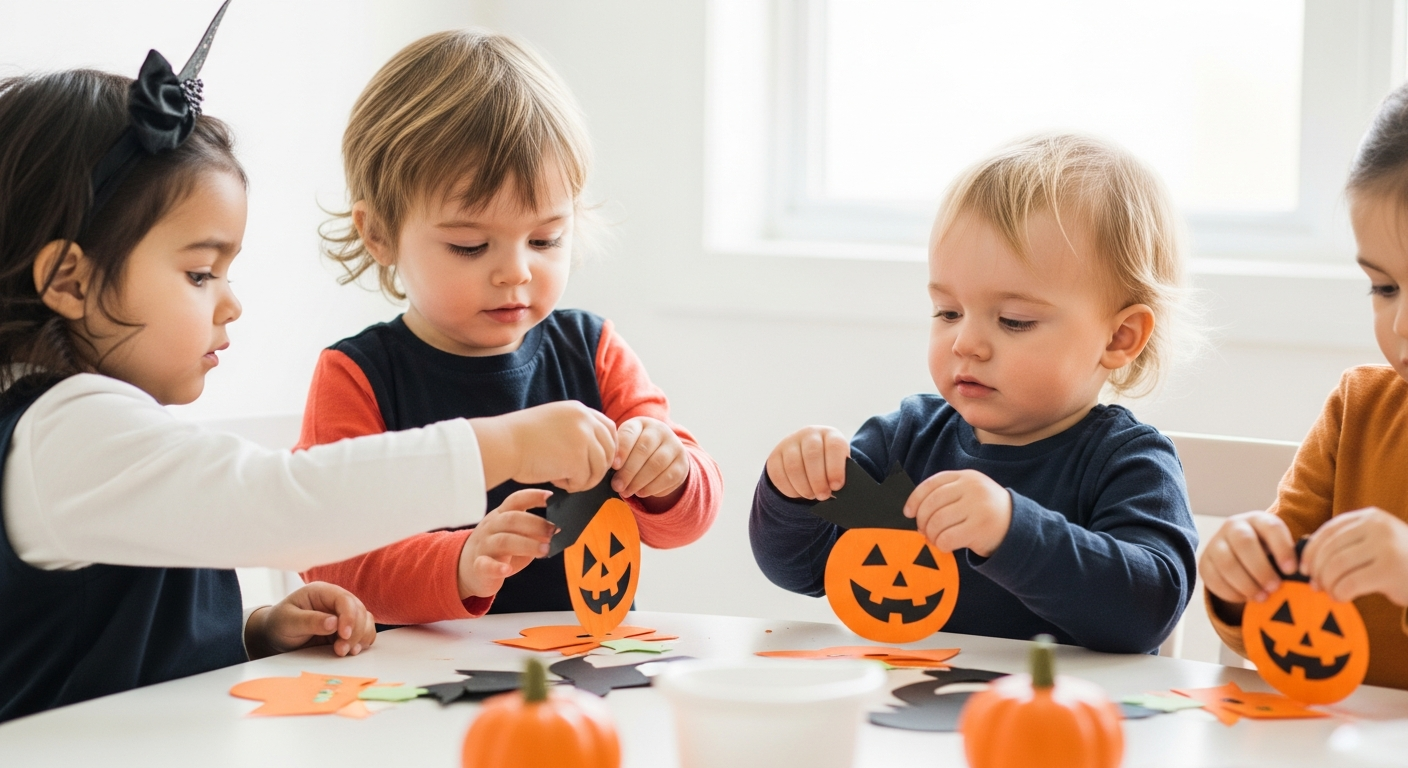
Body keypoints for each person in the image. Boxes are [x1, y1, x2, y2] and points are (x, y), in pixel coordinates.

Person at [0, 48, 612, 722]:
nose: (231, 304)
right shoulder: (66, 434)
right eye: (200, 274)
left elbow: (112, 643)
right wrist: (502, 446)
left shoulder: (91, 435)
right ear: (70, 281)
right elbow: (279, 502)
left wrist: (253, 632)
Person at [297, 30, 722, 624]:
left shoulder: (594, 350)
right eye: (470, 246)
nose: (516, 271)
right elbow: (330, 562)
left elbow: (686, 520)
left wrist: (669, 474)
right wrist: (460, 563)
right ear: (380, 233)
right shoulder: (358, 377)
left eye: (545, 239)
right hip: (414, 670)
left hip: (584, 660)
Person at [750, 135, 1198, 654]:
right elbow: (804, 571)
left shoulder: (1129, 463)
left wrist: (1013, 531)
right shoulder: (904, 439)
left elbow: (1146, 612)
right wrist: (791, 491)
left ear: (1119, 338)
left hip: (1058, 702)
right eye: (948, 312)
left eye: (1014, 320)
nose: (965, 343)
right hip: (908, 692)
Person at [1200, 82, 1408, 690]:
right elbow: (1277, 619)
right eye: (1384, 288)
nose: (1399, 324)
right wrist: (1241, 578)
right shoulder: (1359, 411)